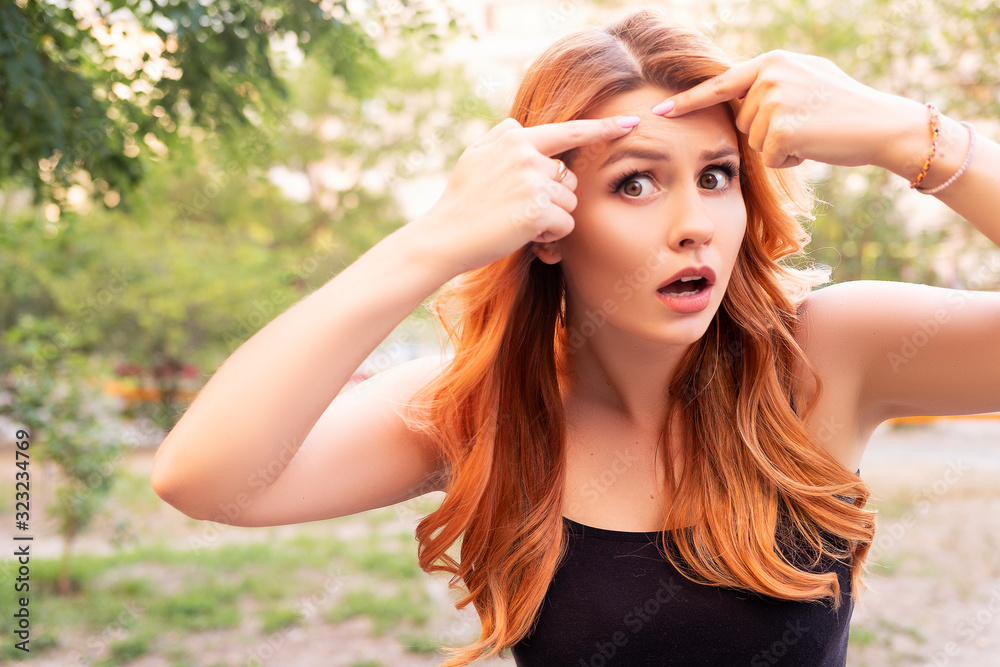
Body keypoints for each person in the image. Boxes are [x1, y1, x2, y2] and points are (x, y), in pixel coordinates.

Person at [150, 9, 1000, 666]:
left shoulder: (829, 350)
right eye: (636, 184)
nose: (693, 223)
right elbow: (203, 477)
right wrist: (431, 240)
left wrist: (915, 139)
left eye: (716, 176)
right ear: (546, 223)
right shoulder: (479, 405)